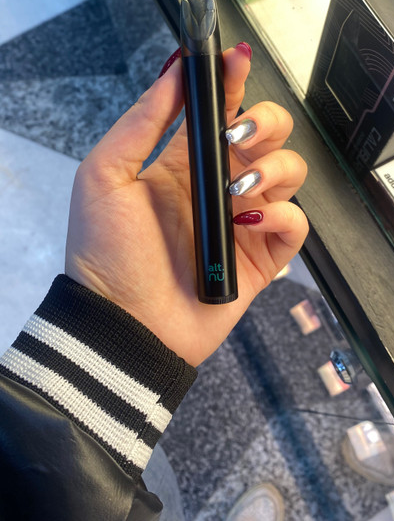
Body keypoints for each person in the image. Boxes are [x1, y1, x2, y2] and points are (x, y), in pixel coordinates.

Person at [0, 42, 308, 520]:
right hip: (104, 484)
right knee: (159, 488)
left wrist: (118, 323)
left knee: (158, 483)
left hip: (98, 464)